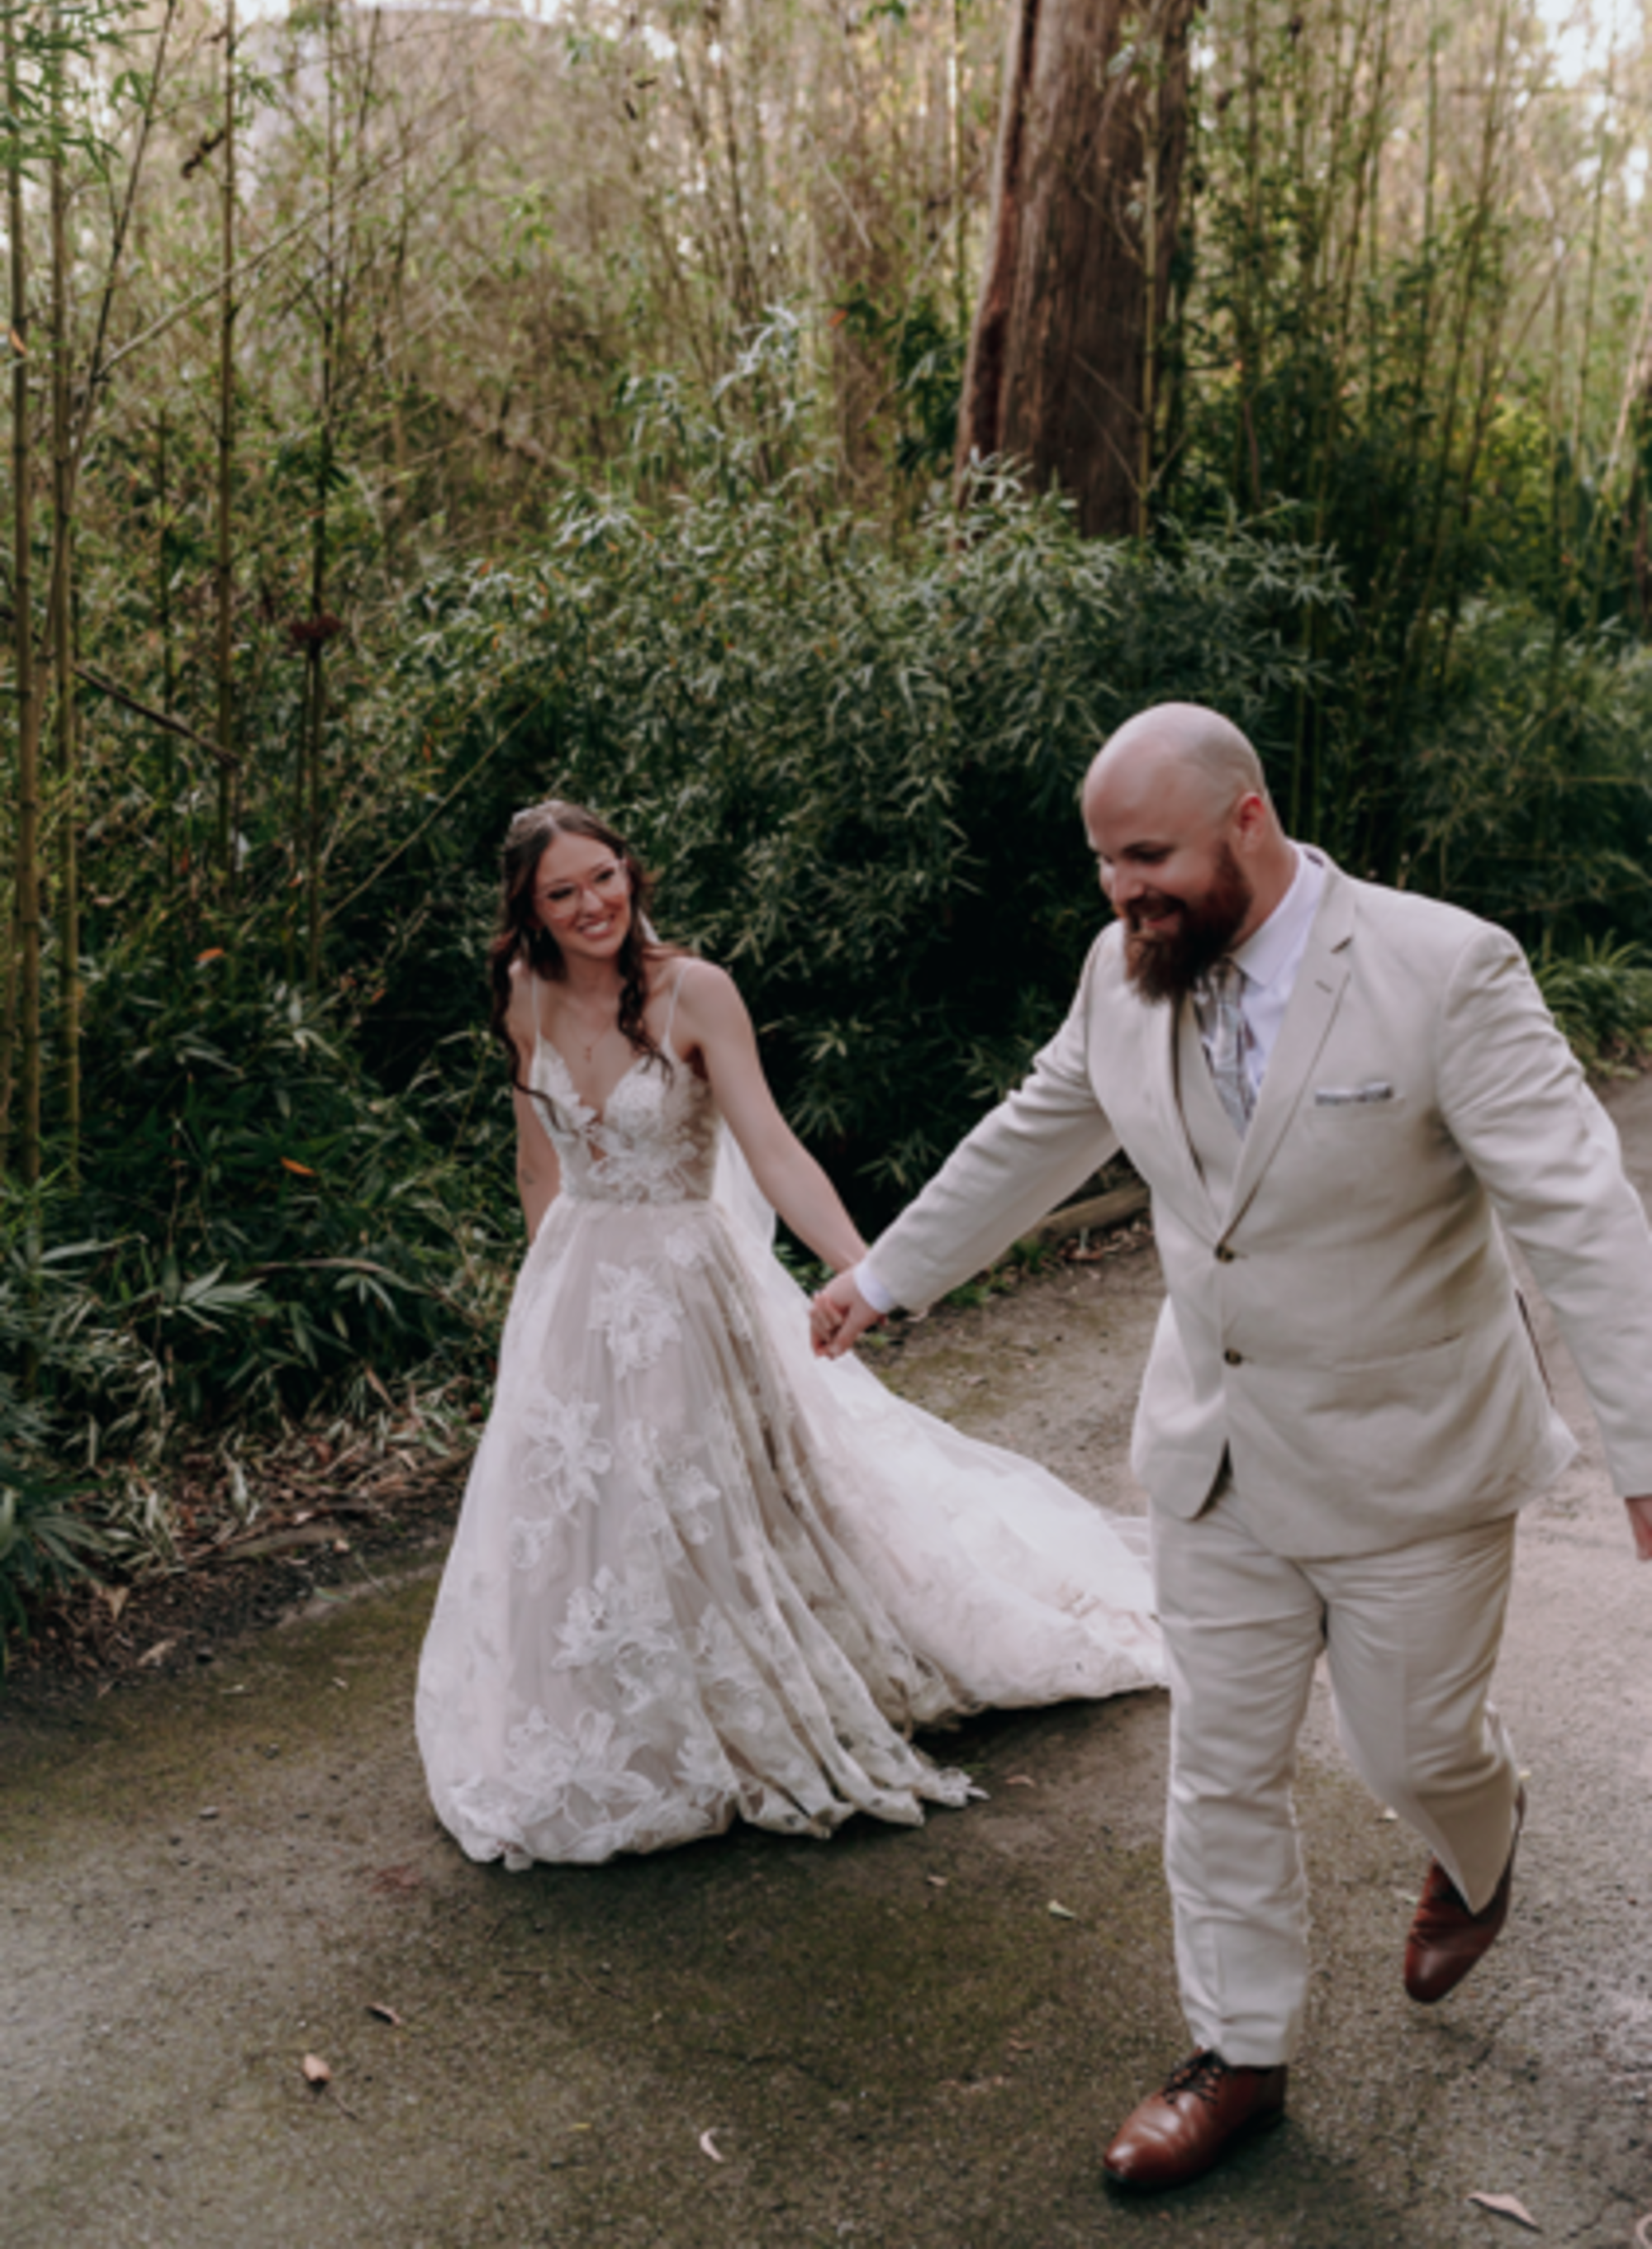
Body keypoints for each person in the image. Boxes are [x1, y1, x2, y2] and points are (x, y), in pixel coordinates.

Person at [812, 701, 1652, 2193]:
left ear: (1248, 822)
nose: (1121, 892)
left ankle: (1481, 1824)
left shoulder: (1444, 969)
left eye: (1148, 857)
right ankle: (1238, 2056)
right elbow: (1036, 1129)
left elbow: (1582, 1217)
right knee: (1220, 1770)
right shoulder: (1122, 969)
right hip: (1213, 1452)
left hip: (1416, 1461)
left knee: (1411, 1748)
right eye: (1103, 864)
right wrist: (885, 1278)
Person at [415, 799, 1164, 1868]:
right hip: (576, 1284)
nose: (594, 904)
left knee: (697, 1490)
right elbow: (540, 1163)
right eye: (563, 892)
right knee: (579, 1510)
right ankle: (605, 1710)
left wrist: (863, 1269)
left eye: (604, 876)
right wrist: (535, 1311)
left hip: (683, 1285)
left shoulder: (695, 991)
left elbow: (769, 1147)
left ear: (631, 871)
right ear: (528, 913)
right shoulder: (523, 997)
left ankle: (741, 1687)